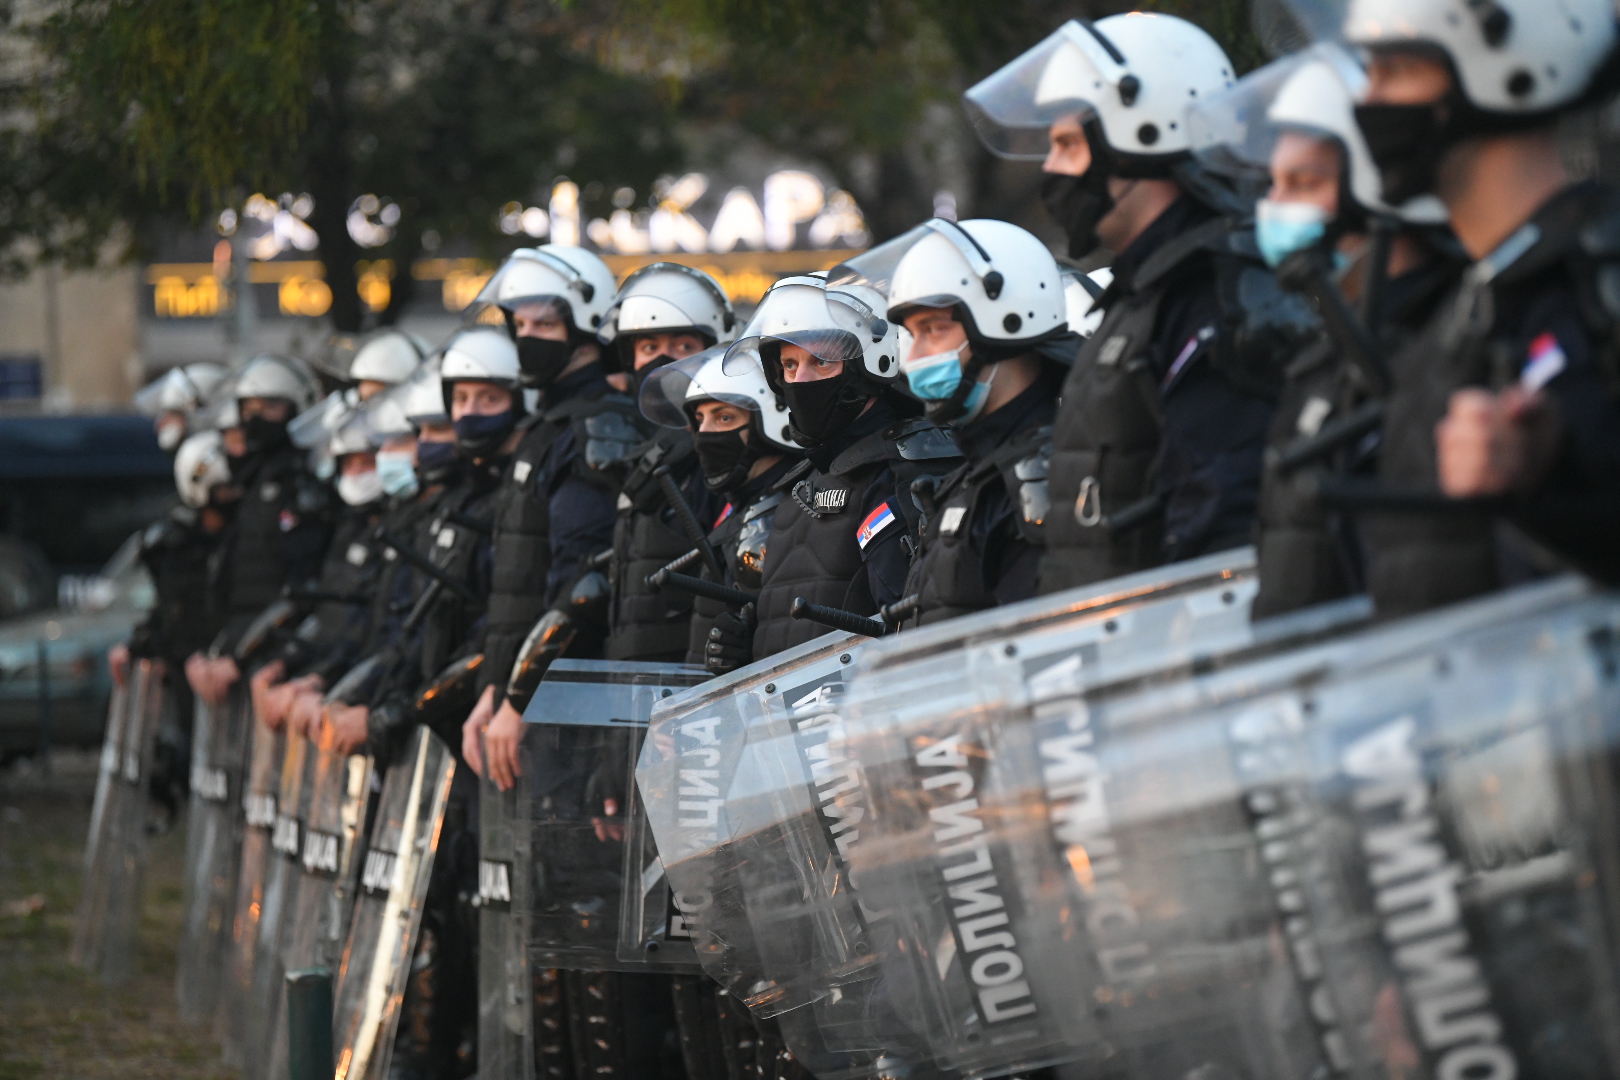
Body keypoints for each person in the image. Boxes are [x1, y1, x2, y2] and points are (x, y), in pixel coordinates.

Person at [964, 13, 1315, 595]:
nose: (1050, 169)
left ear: (1144, 133)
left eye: (1068, 144)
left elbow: (1223, 527)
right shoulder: (1140, 298)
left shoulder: (1211, 293)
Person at [1304, 0, 1620, 610]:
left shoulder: (1598, 286)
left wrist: (1554, 480)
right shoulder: (1470, 304)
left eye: (1393, 71)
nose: (1366, 103)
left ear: (1507, 70)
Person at [1185, 45, 1465, 617]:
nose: (1274, 206)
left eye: (1303, 182)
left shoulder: (1452, 332)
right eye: (1274, 184)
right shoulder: (1324, 354)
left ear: (1374, 188)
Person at [705, 276, 962, 672]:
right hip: (780, 731)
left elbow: (925, 632)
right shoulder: (795, 485)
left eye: (820, 361)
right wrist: (745, 653)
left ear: (868, 365)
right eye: (789, 365)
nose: (801, 380)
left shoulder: (907, 468)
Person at [832, 218, 1077, 624]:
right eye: (912, 334)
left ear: (1009, 321)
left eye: (934, 330)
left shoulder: (1044, 475)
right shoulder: (976, 470)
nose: (914, 357)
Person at [453, 245, 634, 792]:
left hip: (565, 712)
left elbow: (578, 583)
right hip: (521, 703)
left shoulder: (597, 427)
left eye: (546, 323)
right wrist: (493, 688)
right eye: (521, 322)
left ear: (586, 326)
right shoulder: (547, 426)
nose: (528, 335)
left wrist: (519, 698)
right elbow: (517, 585)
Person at [598, 263, 736, 663]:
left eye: (682, 347)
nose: (664, 361)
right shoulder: (637, 455)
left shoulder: (724, 452)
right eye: (648, 347)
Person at [637, 346, 804, 667]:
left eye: (724, 417)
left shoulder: (780, 512)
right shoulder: (738, 506)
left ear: (771, 421)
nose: (703, 434)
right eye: (699, 419)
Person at [184, 353, 329, 710]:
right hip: (238, 664)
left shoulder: (304, 487)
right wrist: (210, 652)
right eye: (248, 408)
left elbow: (302, 590)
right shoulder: (250, 485)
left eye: (270, 406)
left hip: (274, 669)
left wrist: (240, 658)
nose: (255, 419)